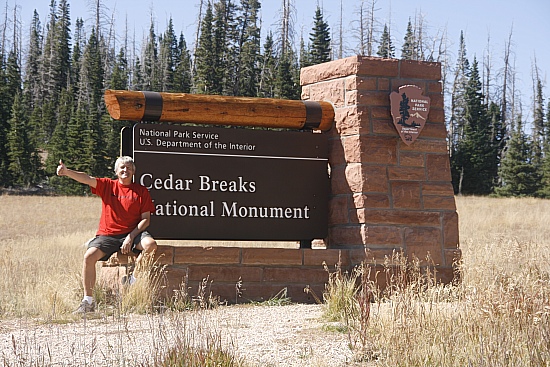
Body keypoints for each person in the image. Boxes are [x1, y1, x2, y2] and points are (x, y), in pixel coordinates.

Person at [57, 156, 157, 314]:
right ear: (116, 171)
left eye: (129, 168)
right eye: (122, 168)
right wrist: (67, 172)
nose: (125, 170)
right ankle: (88, 302)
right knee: (89, 257)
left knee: (150, 245)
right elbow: (87, 179)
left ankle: (133, 280)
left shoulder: (141, 191)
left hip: (133, 233)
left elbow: (146, 220)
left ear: (134, 171)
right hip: (108, 235)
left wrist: (131, 237)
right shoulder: (108, 185)